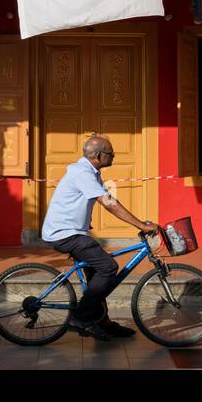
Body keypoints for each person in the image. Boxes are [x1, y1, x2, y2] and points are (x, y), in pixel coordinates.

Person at [41, 133, 159, 341]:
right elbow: (109, 202)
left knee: (98, 274)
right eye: (110, 153)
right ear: (97, 155)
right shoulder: (82, 172)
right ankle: (80, 317)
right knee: (109, 267)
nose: (113, 156)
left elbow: (98, 199)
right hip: (64, 234)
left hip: (73, 231)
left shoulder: (91, 172)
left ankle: (102, 321)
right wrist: (140, 225)